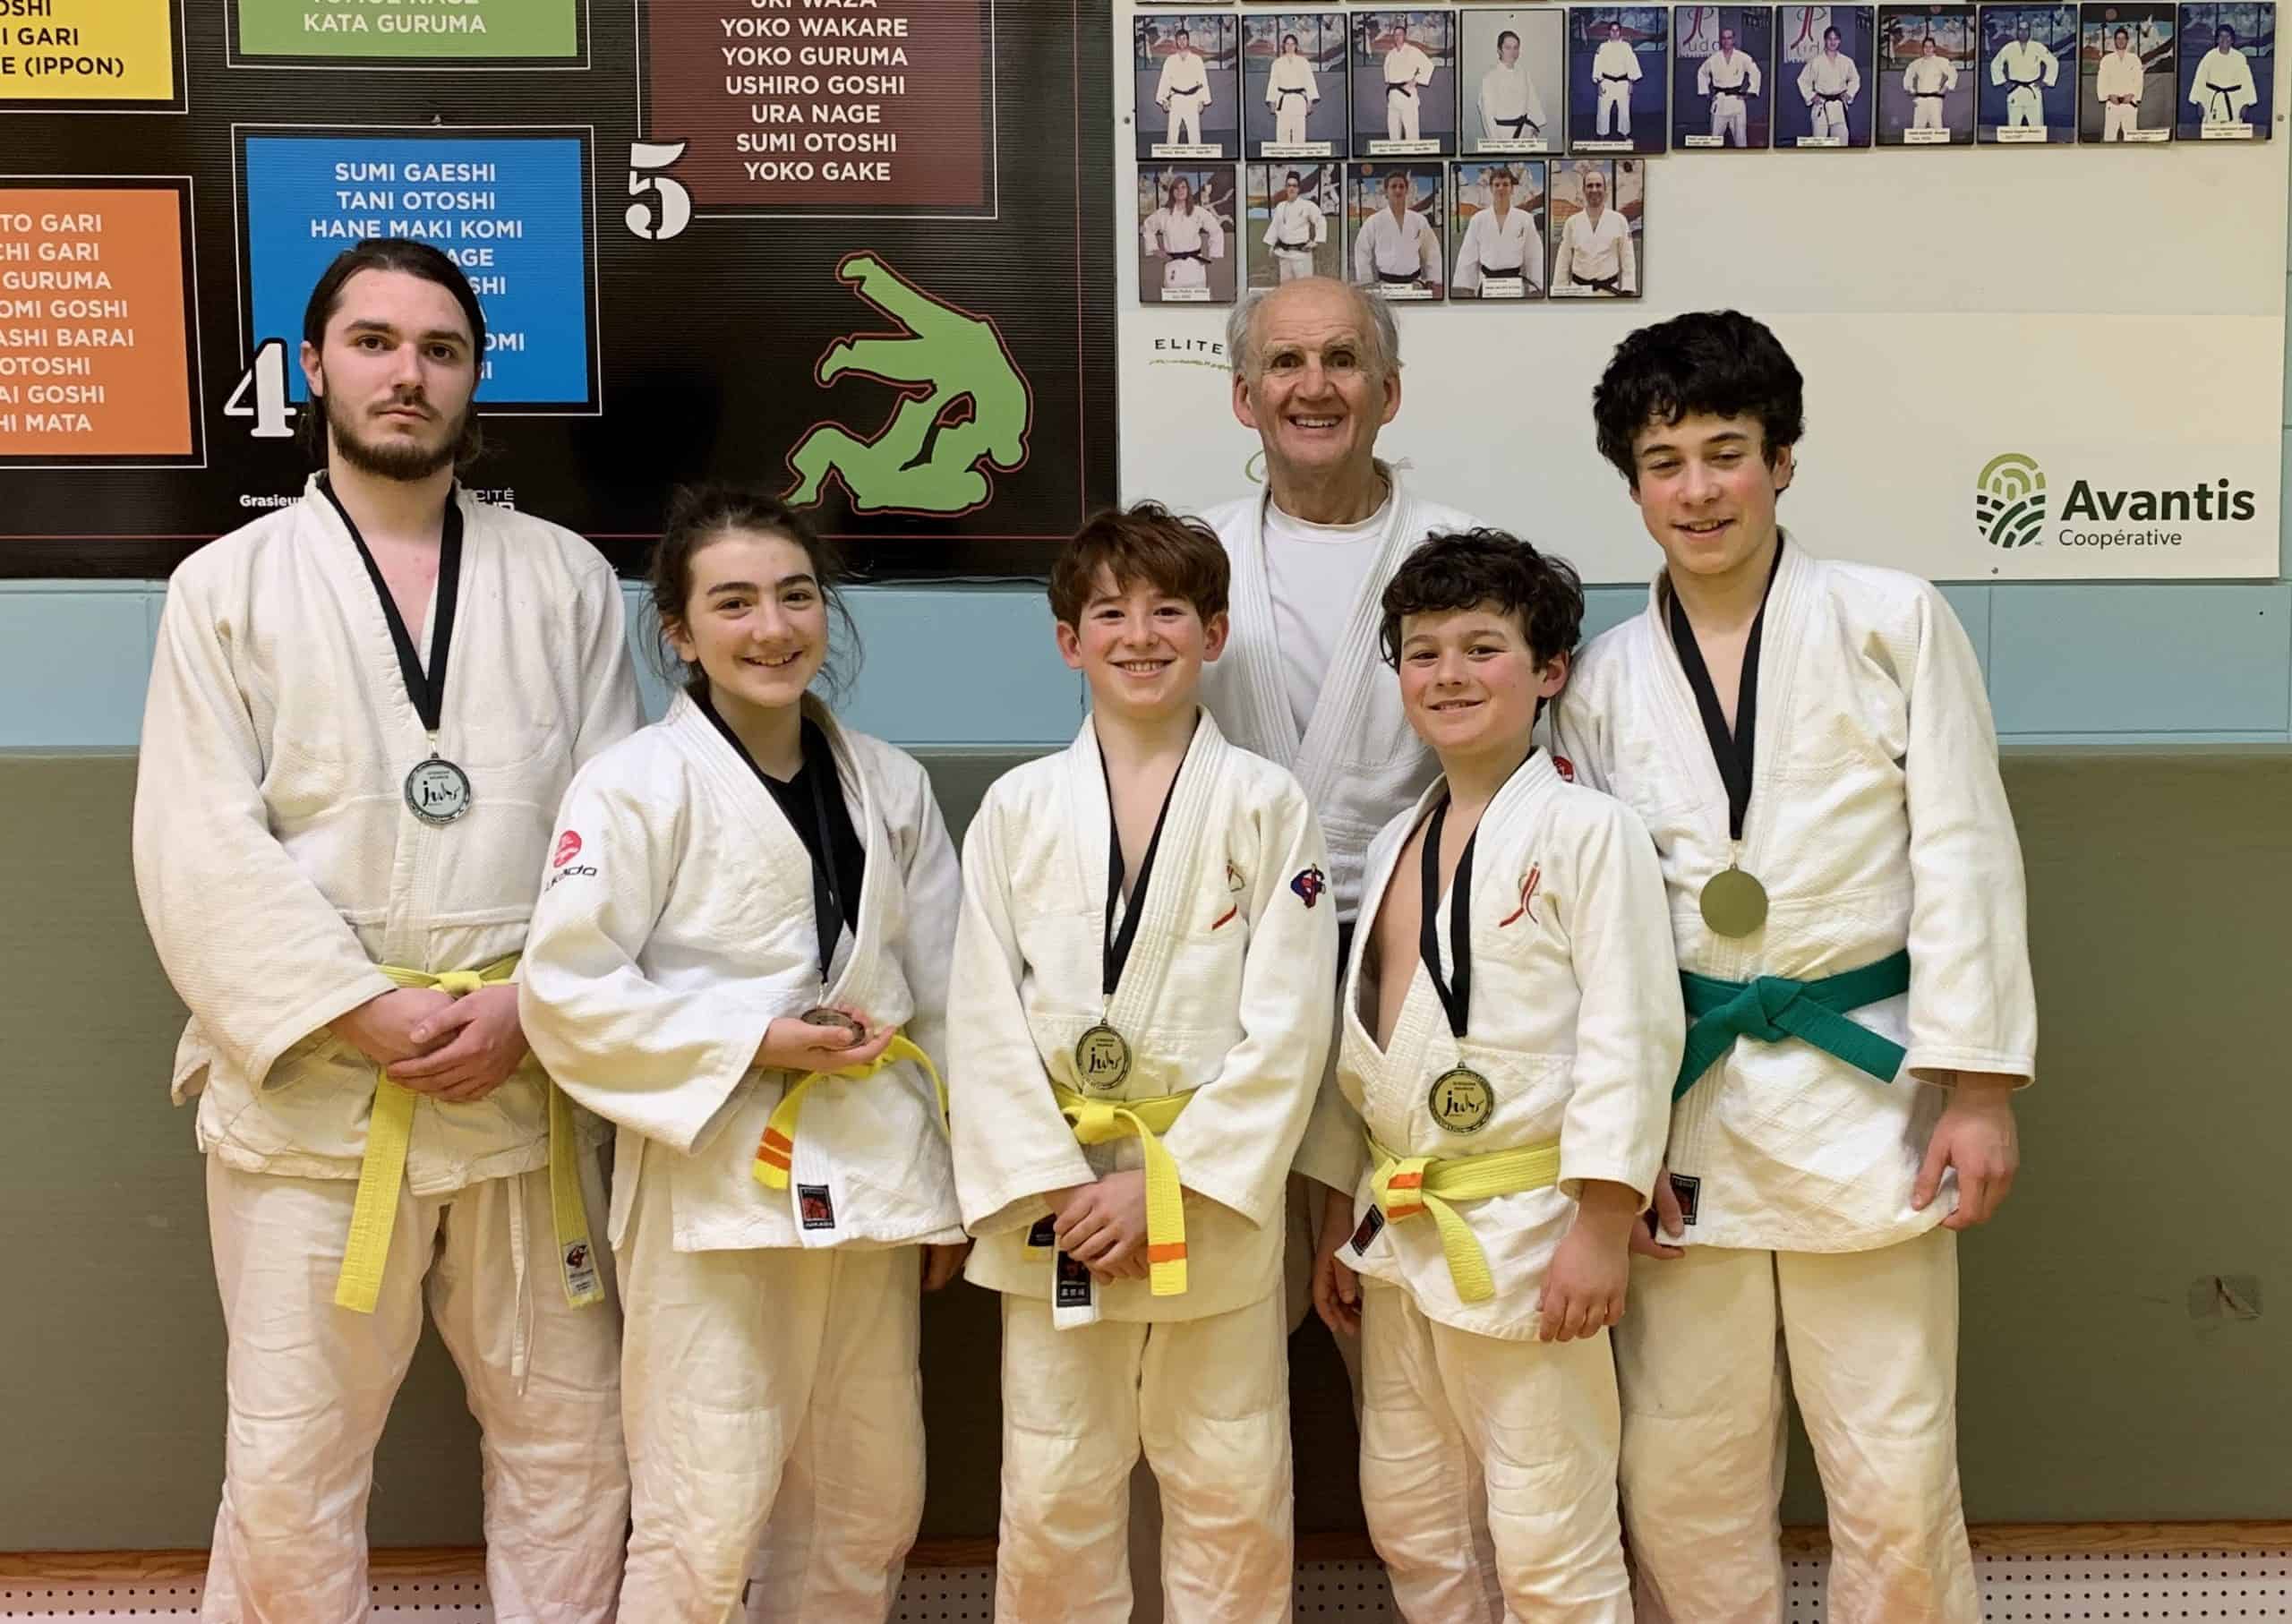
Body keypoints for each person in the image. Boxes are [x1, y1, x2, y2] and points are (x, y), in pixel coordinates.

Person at [132, 237, 638, 1623]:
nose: (406, 373)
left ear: (474, 379)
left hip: (523, 1088)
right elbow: (194, 841)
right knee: (290, 1462)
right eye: (374, 342)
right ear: (314, 367)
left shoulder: (566, 580)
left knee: (575, 1448)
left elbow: (618, 829)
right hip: (316, 1103)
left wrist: (533, 1003)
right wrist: (356, 1006)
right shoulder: (225, 587)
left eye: (439, 349)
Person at [1552, 310, 2035, 1623]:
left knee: (1894, 1463)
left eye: (1727, 452)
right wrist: (1606, 1145)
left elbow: (1966, 851)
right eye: (1664, 462)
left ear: (1782, 460)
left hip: (1872, 1095)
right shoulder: (1602, 677)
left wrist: (1980, 1084)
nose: (1698, 489)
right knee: (1681, 1475)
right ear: (1633, 485)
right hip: (1686, 1105)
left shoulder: (1892, 620)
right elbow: (1592, 934)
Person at [516, 486, 967, 1620]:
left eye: (795, 595)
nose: (772, 627)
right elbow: (564, 989)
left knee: (869, 1500)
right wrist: (750, 1038)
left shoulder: (890, 782)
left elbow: (951, 996)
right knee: (703, 1510)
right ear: (679, 630)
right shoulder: (633, 784)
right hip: (713, 1186)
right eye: (733, 603)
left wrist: (954, 1185)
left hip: (871, 1177)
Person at [948, 503, 1338, 1623]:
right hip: (1059, 1204)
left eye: (1168, 610)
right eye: (1110, 613)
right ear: (1067, 640)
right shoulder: (1018, 807)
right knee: (1052, 1490)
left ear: (1213, 633)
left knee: (1232, 1487)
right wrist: (1060, 1184)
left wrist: (1163, 1184)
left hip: (1206, 1201)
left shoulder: (1265, 802)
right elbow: (979, 1015)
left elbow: (1291, 1024)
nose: (1139, 635)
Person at [1312, 530, 1681, 1622]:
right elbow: (1370, 1052)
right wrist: (1339, 1210)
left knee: (1547, 1532)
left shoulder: (1590, 830)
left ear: (1549, 669)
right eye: (1423, 653)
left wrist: (1601, 1222)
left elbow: (1631, 1034)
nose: (1449, 675)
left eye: (1482, 648)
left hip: (1527, 1233)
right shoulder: (1395, 837)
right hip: (1398, 1225)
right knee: (1414, 1519)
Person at [1452, 167, 1544, 297]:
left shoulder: (1525, 219)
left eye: (1505, 184)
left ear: (1512, 189)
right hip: (1487, 284)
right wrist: (1467, 287)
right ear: (1491, 188)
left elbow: (1534, 256)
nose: (1501, 188)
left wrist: (1536, 287)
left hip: (1514, 285)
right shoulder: (1478, 219)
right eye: (1497, 185)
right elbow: (1468, 256)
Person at [1354, 170, 1444, 295]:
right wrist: (1366, 281)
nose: (1398, 190)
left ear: (1407, 190)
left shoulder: (1419, 220)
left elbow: (1431, 251)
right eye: (1393, 186)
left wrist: (1435, 280)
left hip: (1414, 284)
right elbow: (1362, 251)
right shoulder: (1374, 221)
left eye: (1401, 186)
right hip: (1385, 285)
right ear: (1386, 191)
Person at [1552, 166, 1635, 296]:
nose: (1594, 189)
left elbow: (1627, 258)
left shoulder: (1619, 220)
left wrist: (1628, 288)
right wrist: (1559, 290)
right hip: (1578, 291)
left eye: (1598, 185)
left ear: (1605, 189)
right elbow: (1563, 259)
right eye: (1590, 186)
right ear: (1584, 190)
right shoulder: (1572, 222)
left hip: (1609, 292)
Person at [1142, 175, 1226, 299]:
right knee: (1173, 305)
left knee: (1199, 304)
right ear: (1172, 192)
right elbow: (1147, 228)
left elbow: (1216, 230)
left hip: (1195, 267)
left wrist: (1212, 254)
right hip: (1173, 266)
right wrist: (1155, 250)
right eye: (1176, 188)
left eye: (1183, 187)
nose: (1180, 191)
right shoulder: (1163, 214)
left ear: (1188, 190)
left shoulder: (1198, 212)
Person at [1477, 28, 1549, 144]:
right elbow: (1487, 114)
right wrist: (1496, 143)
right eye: (1508, 48)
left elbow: (1532, 102)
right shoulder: (1490, 78)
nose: (1513, 52)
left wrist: (1532, 127)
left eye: (1516, 48)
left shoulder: (1524, 74)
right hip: (1502, 135)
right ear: (1499, 50)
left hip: (1525, 133)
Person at [1698, 25, 1763, 146]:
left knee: (1741, 139)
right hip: (1720, 101)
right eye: (1724, 38)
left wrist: (1750, 93)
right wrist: (1706, 93)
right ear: (1721, 40)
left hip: (1736, 101)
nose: (1726, 41)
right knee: (1714, 138)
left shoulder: (1743, 57)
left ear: (1733, 40)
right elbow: (1702, 72)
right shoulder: (1714, 59)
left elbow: (1756, 72)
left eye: (1729, 38)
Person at [1990, 15, 2059, 131]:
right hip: (2015, 91)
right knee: (2013, 126)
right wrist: (2004, 82)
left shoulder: (2038, 47)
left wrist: (2046, 81)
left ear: (2029, 32)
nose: (2023, 33)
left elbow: (2053, 62)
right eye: (2020, 30)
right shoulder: (2009, 48)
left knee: (2037, 126)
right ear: (2017, 32)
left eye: (2026, 30)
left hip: (2033, 90)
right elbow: (1995, 64)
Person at [1264, 169, 1329, 284]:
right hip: (1284, 254)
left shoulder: (1307, 205)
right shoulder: (1280, 206)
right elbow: (1275, 226)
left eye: (1294, 186)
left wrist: (1317, 241)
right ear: (1286, 188)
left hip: (1301, 255)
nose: (1291, 188)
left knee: (1304, 287)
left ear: (1298, 188)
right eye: (1289, 185)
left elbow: (1320, 220)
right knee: (1286, 288)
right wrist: (1271, 244)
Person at [1799, 24, 1862, 139]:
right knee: (1820, 140)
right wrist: (1812, 96)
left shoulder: (1847, 61)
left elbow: (1855, 79)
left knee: (1841, 140)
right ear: (1825, 40)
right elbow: (1802, 80)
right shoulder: (1816, 61)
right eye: (1830, 39)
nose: (1833, 42)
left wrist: (1849, 94)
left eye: (1835, 39)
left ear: (1839, 41)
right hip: (1821, 105)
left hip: (1838, 106)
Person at [2190, 22, 2258, 129]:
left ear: (2232, 40)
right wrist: (2199, 102)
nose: (2224, 39)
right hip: (2212, 99)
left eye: (2227, 36)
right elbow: (2200, 80)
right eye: (2221, 36)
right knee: (2212, 130)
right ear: (2217, 39)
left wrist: (2246, 103)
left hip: (2234, 100)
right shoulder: (2209, 57)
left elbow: (2247, 82)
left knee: (2233, 129)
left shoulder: (2239, 58)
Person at [1155, 27, 1213, 149]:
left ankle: (1196, 158)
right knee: (1172, 132)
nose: (1182, 41)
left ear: (1188, 41)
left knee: (1194, 133)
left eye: (1184, 39)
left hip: (1192, 99)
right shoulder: (1170, 60)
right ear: (1176, 41)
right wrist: (1163, 100)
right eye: (1179, 39)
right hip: (1175, 99)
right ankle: (1170, 158)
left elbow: (1202, 81)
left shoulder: (1197, 60)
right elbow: (1165, 81)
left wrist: (1202, 100)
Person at [1381, 22, 1439, 142]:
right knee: (1393, 130)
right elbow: (1388, 76)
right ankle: (1395, 151)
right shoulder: (1390, 54)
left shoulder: (1412, 51)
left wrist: (1416, 80)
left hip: (1407, 94)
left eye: (1400, 34)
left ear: (1405, 36)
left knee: (1411, 131)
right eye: (1395, 35)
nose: (1397, 37)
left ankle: (1413, 152)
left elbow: (1428, 65)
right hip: (1393, 96)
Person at [1267, 30, 1321, 147]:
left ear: (1296, 46)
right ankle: (1283, 156)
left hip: (1299, 100)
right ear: (1284, 46)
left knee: (1299, 133)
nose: (1290, 47)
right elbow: (1273, 83)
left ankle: (1299, 154)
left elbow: (1310, 82)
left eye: (1292, 44)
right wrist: (1272, 102)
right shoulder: (1277, 63)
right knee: (1282, 133)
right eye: (1287, 44)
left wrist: (1310, 102)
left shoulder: (1303, 62)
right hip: (1283, 100)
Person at [1591, 20, 1643, 136]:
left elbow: (1632, 65)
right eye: (1612, 30)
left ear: (1620, 32)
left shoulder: (1626, 47)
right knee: (1603, 111)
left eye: (1617, 30)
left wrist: (1631, 83)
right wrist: (1599, 83)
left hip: (1623, 83)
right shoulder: (1603, 47)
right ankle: (1602, 134)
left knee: (1624, 111)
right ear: (1609, 32)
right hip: (1606, 82)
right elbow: (1597, 65)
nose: (1614, 33)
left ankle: (1625, 133)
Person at [1903, 35, 1959, 132]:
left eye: (1930, 47)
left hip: (1935, 99)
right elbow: (1908, 74)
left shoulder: (1941, 61)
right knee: (1918, 128)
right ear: (1923, 48)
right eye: (1926, 47)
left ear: (1934, 48)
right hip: (1921, 100)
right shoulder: (1917, 63)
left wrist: (1944, 88)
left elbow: (1953, 73)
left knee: (1936, 127)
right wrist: (1911, 88)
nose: (1928, 49)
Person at [2098, 24, 2145, 139]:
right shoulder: (2107, 60)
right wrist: (2109, 96)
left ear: (2127, 40)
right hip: (2113, 103)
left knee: (2131, 137)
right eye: (2118, 38)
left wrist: (2132, 95)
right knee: (2109, 136)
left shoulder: (2134, 59)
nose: (2121, 41)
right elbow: (2102, 81)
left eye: (2123, 38)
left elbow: (2139, 80)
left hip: (2129, 103)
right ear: (2115, 40)